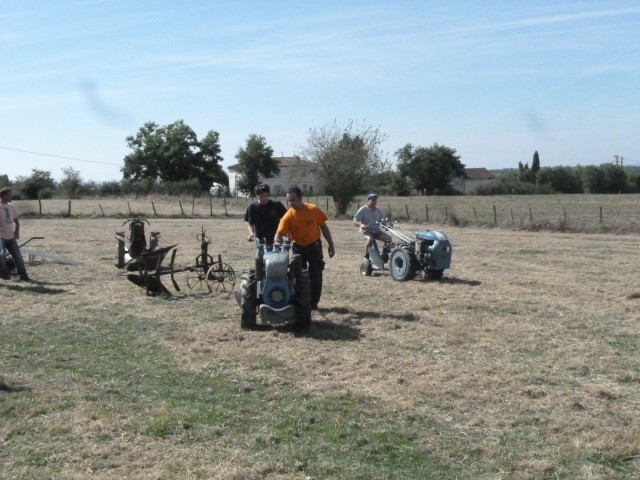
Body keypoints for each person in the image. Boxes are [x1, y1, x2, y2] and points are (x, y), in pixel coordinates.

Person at [274, 185, 335, 310]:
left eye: (293, 199)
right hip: (298, 248)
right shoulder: (289, 215)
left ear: (300, 198)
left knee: (316, 276)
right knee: (299, 277)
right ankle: (301, 302)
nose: (291, 203)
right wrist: (277, 240)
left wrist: (331, 244)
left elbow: (323, 227)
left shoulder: (313, 210)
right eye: (289, 200)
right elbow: (279, 232)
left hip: (314, 246)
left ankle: (313, 303)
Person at [0, 187, 30, 281]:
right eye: (10, 194)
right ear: (4, 195)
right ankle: (4, 274)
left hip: (11, 236)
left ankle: (23, 275)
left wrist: (16, 231)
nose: (11, 196)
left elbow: (16, 221)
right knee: (0, 255)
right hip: (1, 236)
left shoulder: (11, 206)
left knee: (18, 256)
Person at [353, 193, 392, 259]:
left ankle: (384, 255)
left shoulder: (378, 210)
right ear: (368, 200)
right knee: (370, 239)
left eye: (375, 200)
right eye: (373, 200)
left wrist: (385, 224)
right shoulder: (363, 209)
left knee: (388, 239)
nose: (374, 201)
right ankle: (367, 256)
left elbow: (381, 221)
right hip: (367, 231)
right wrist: (360, 225)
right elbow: (354, 221)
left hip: (377, 231)